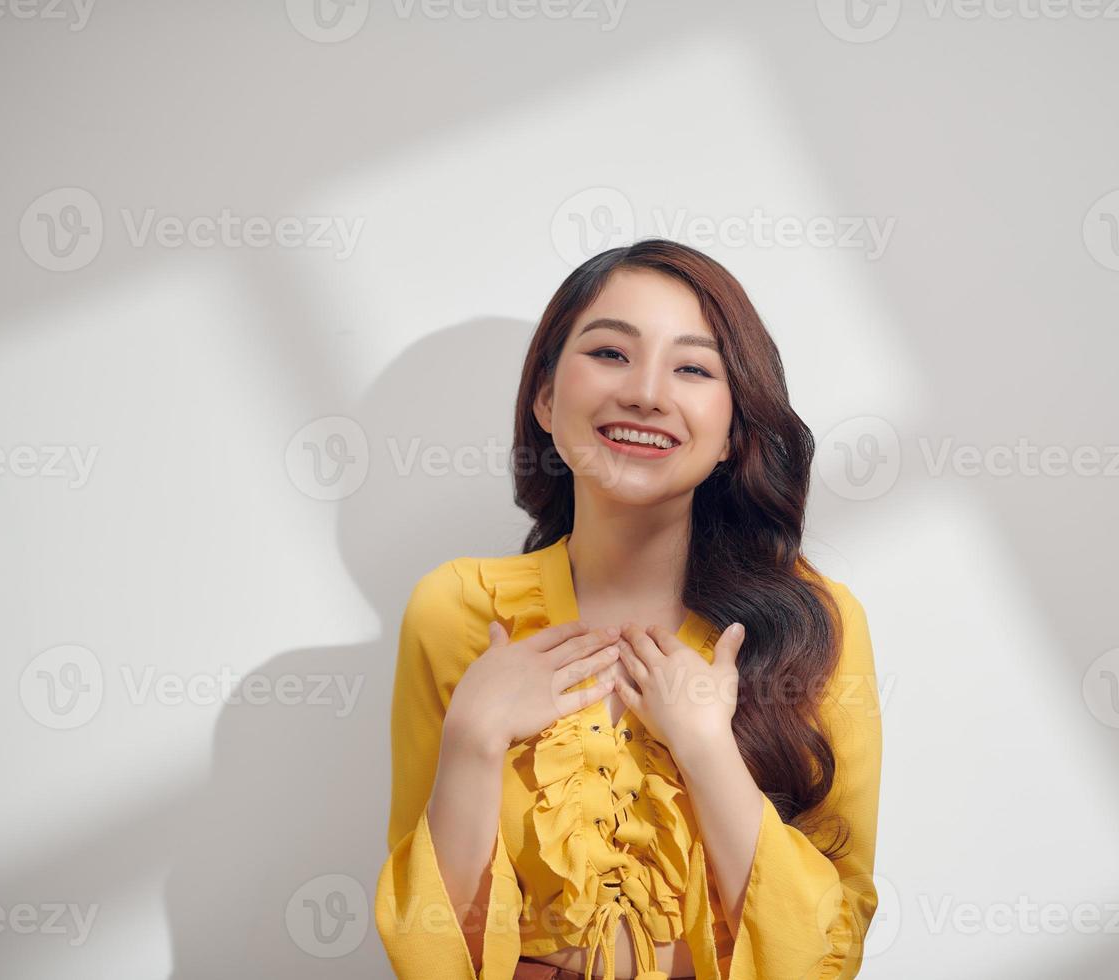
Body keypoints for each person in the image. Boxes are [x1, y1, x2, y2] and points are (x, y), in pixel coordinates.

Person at [375, 239, 883, 979]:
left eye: (692, 368)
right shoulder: (455, 608)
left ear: (734, 430)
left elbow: (827, 954)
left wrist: (707, 751)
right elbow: (428, 953)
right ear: (546, 398)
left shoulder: (816, 623)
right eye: (611, 353)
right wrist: (474, 742)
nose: (647, 392)